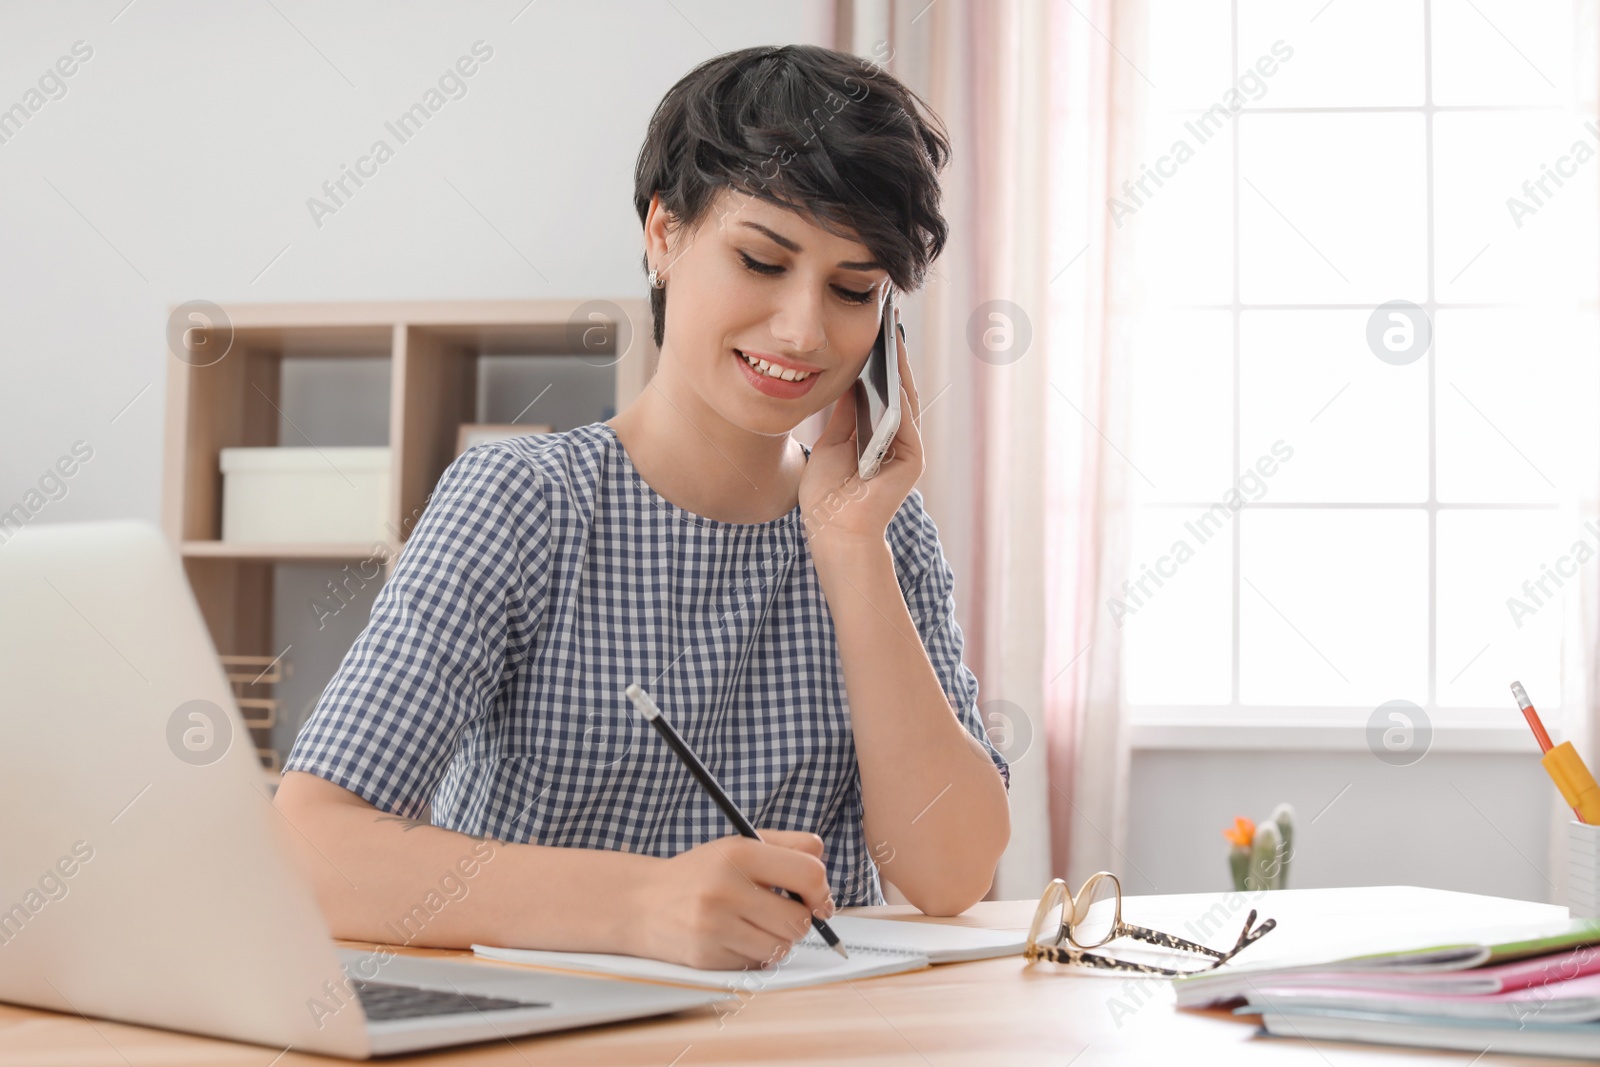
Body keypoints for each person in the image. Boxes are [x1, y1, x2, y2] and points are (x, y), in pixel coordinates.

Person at [274, 43, 1010, 972]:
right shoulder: (525, 503)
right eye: (761, 259)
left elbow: (952, 876)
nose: (804, 329)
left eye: (853, 288)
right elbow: (311, 846)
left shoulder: (881, 528)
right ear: (664, 234)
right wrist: (643, 905)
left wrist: (852, 545)